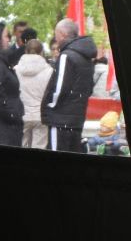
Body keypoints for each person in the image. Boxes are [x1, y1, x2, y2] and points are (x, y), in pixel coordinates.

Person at [41, 18, 99, 152]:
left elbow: (59, 88)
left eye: (56, 35)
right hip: (77, 118)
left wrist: (49, 107)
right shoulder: (86, 57)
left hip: (60, 118)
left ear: (62, 34)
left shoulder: (66, 56)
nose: (56, 38)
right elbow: (89, 88)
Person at [13, 29, 53, 149]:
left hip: (21, 114)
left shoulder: (16, 70)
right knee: (39, 148)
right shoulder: (49, 71)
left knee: (21, 146)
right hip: (40, 115)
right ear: (41, 52)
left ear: (25, 50)